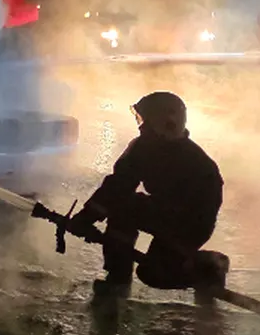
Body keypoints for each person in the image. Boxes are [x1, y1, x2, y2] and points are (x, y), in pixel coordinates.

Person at [68, 91, 226, 300]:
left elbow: (202, 213)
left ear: (163, 123)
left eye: (145, 121)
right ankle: (117, 278)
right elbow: (117, 186)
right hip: (169, 215)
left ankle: (208, 267)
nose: (141, 126)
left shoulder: (197, 164)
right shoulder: (144, 148)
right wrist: (87, 217)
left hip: (191, 224)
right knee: (125, 209)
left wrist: (85, 219)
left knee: (152, 274)